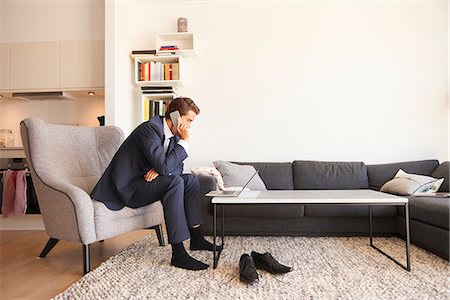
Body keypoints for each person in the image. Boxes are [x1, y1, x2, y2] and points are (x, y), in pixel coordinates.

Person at [91, 97, 219, 270]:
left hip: (147, 183)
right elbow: (168, 168)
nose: (189, 127)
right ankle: (178, 253)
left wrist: (161, 169)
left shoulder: (173, 136)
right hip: (130, 189)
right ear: (175, 117)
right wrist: (183, 143)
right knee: (174, 182)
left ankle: (196, 238)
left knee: (190, 180)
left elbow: (177, 167)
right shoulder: (150, 129)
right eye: (188, 120)